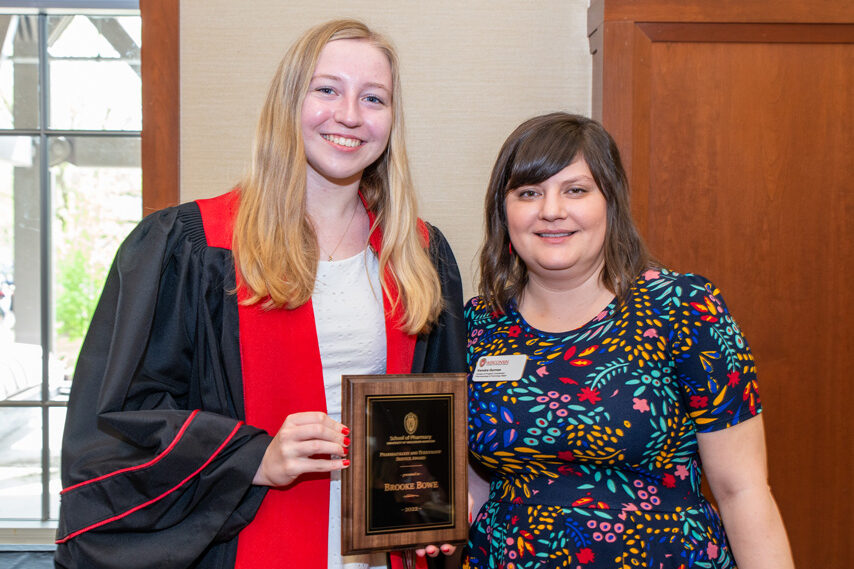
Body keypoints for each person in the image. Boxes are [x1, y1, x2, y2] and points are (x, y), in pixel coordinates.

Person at [55, 19, 465, 569]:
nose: (349, 114)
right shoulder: (191, 248)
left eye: (374, 98)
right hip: (240, 550)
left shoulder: (418, 254)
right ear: (287, 102)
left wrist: (432, 511)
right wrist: (252, 457)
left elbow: (440, 430)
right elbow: (115, 427)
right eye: (326, 89)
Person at [463, 113, 794, 568]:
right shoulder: (480, 325)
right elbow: (475, 486)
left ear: (610, 202)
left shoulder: (682, 307)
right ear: (503, 210)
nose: (551, 210)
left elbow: (743, 491)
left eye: (575, 190)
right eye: (529, 193)